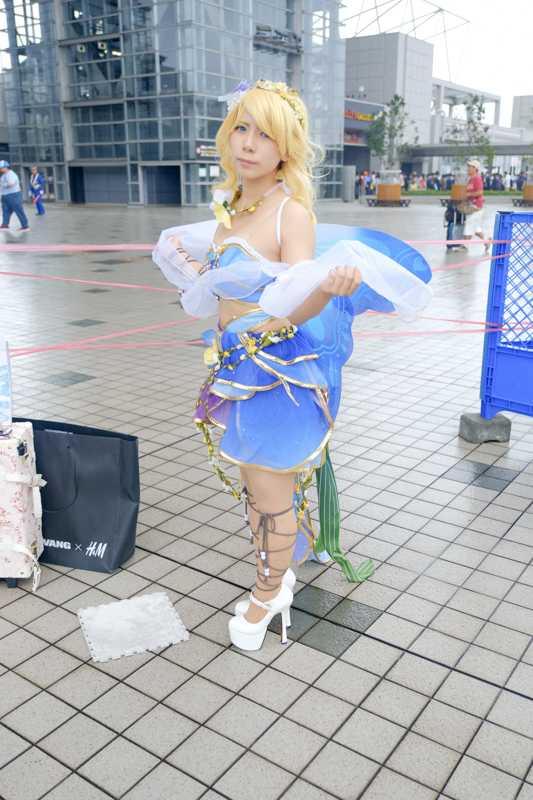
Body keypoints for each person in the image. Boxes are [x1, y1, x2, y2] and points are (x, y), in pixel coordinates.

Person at [153, 79, 432, 651]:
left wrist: (328, 289)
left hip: (276, 371)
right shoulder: (230, 209)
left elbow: (294, 303)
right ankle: (278, 572)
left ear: (286, 149)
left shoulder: (291, 214)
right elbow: (221, 290)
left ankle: (268, 593)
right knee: (258, 487)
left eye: (265, 134)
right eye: (241, 128)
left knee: (268, 491)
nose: (248, 143)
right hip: (238, 364)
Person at [456, 159, 491, 253]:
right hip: (471, 206)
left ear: (475, 169)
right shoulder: (471, 179)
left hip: (475, 207)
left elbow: (480, 192)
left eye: (469, 167)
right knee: (475, 227)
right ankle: (486, 241)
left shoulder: (477, 178)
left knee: (469, 225)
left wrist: (468, 194)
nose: (468, 169)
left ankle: (465, 246)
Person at [0, 161, 30, 232]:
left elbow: (11, 184)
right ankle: (5, 225)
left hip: (14, 195)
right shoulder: (3, 175)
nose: (0, 169)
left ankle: (25, 226)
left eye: (1, 168)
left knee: (18, 210)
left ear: (5, 167)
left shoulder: (11, 174)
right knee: (6, 210)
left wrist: (1, 184)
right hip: (5, 195)